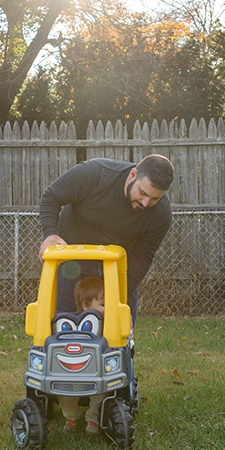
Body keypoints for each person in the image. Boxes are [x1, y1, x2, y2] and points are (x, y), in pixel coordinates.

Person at [39, 154, 174, 322]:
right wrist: (51, 235)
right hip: (72, 263)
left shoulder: (161, 213)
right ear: (132, 175)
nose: (146, 203)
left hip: (115, 268)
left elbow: (142, 256)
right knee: (64, 326)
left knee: (117, 334)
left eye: (155, 198)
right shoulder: (96, 174)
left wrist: (121, 298)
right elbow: (52, 196)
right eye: (142, 193)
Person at [59, 276, 107, 435]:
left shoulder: (109, 323)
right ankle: (71, 417)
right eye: (103, 305)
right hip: (73, 369)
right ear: (85, 306)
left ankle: (93, 418)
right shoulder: (71, 325)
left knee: (101, 391)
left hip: (97, 370)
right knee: (62, 389)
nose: (107, 309)